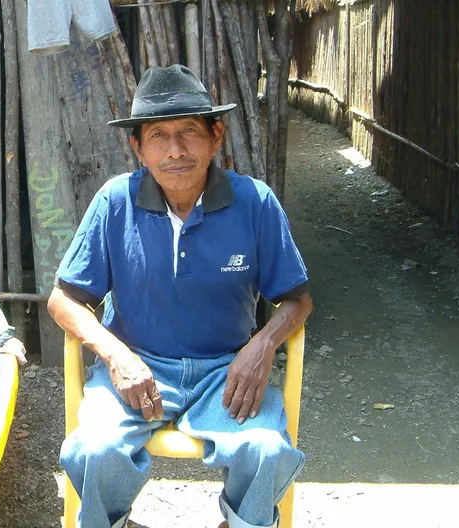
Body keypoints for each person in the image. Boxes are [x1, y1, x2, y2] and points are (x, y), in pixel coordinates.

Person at [47, 64, 313, 528]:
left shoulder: (255, 203)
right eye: (157, 136)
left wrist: (262, 345)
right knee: (93, 450)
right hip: (138, 368)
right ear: (138, 148)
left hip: (225, 373)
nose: (175, 151)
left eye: (190, 131)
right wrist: (115, 356)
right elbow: (62, 300)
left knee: (267, 449)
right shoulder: (115, 202)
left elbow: (297, 299)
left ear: (216, 136)